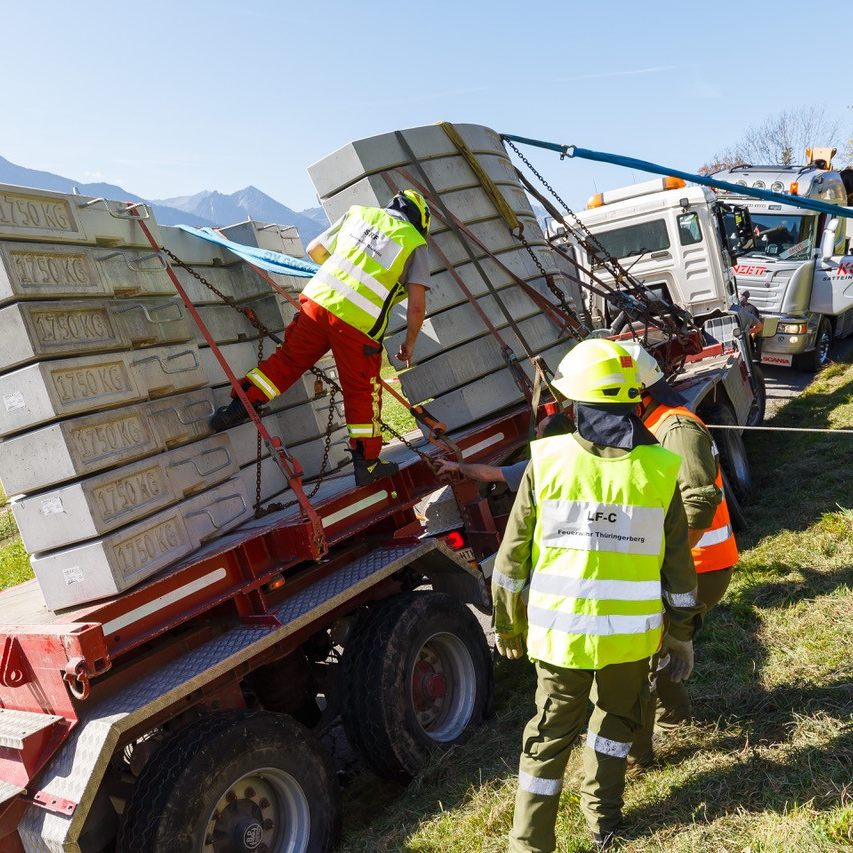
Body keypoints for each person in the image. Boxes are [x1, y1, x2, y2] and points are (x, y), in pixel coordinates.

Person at [493, 338, 701, 852]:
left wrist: (508, 625)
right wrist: (681, 637)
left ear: (575, 403)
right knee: (613, 728)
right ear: (633, 401)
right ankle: (603, 822)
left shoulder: (546, 461)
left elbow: (510, 562)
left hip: (559, 639)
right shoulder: (658, 471)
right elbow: (679, 570)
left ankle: (530, 843)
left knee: (547, 737)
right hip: (630, 641)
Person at [210, 189, 431, 486]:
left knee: (288, 360)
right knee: (361, 391)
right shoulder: (414, 242)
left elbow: (315, 249)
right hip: (357, 326)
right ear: (421, 221)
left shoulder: (358, 214)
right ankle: (366, 464)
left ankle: (239, 406)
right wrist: (410, 343)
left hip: (317, 304)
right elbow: (417, 306)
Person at [620, 341, 738, 766]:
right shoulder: (649, 425)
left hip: (700, 564)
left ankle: (647, 744)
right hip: (683, 563)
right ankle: (675, 716)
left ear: (634, 392)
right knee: (656, 645)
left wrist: (667, 566)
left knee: (648, 649)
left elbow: (699, 504)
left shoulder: (675, 428)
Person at [434, 413, 573, 490]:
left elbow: (489, 474)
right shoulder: (584, 457)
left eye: (539, 430)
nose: (535, 431)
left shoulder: (537, 469)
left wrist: (458, 466)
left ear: (549, 440)